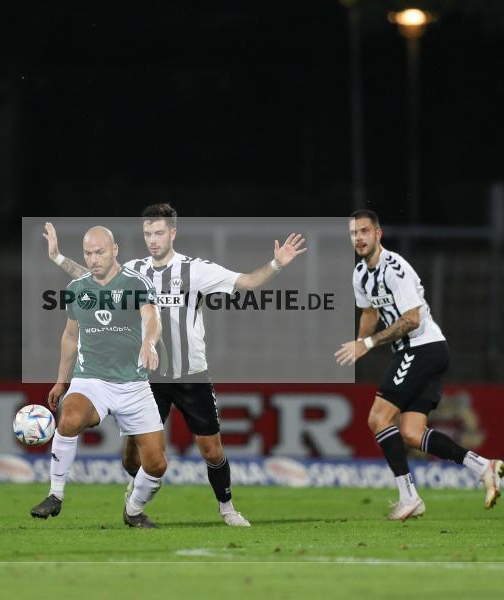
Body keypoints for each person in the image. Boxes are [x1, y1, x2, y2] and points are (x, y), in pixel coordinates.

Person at [44, 204, 307, 527]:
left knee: (211, 450)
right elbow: (92, 276)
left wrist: (277, 265)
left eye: (158, 233)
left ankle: (227, 508)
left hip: (191, 374)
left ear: (173, 233)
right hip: (146, 377)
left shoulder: (195, 270)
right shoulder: (134, 270)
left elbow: (248, 282)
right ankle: (137, 495)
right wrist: (58, 258)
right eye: (147, 234)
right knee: (132, 457)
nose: (153, 240)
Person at [335, 209, 504, 522]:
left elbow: (412, 319)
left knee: (377, 418)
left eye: (364, 231)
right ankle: (484, 467)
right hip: (424, 351)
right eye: (353, 233)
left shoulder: (394, 267)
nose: (358, 238)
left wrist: (369, 343)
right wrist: (359, 346)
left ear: (378, 234)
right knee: (412, 434)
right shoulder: (359, 274)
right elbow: (370, 313)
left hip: (421, 347)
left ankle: (408, 496)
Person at [30, 226, 166, 528]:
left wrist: (148, 342)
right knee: (69, 418)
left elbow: (151, 317)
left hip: (133, 384)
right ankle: (55, 494)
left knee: (156, 464)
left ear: (115, 250)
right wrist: (61, 380)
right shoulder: (78, 289)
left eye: (100, 252)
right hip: (91, 379)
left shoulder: (135, 283)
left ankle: (133, 510)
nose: (93, 259)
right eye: (88, 253)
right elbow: (69, 336)